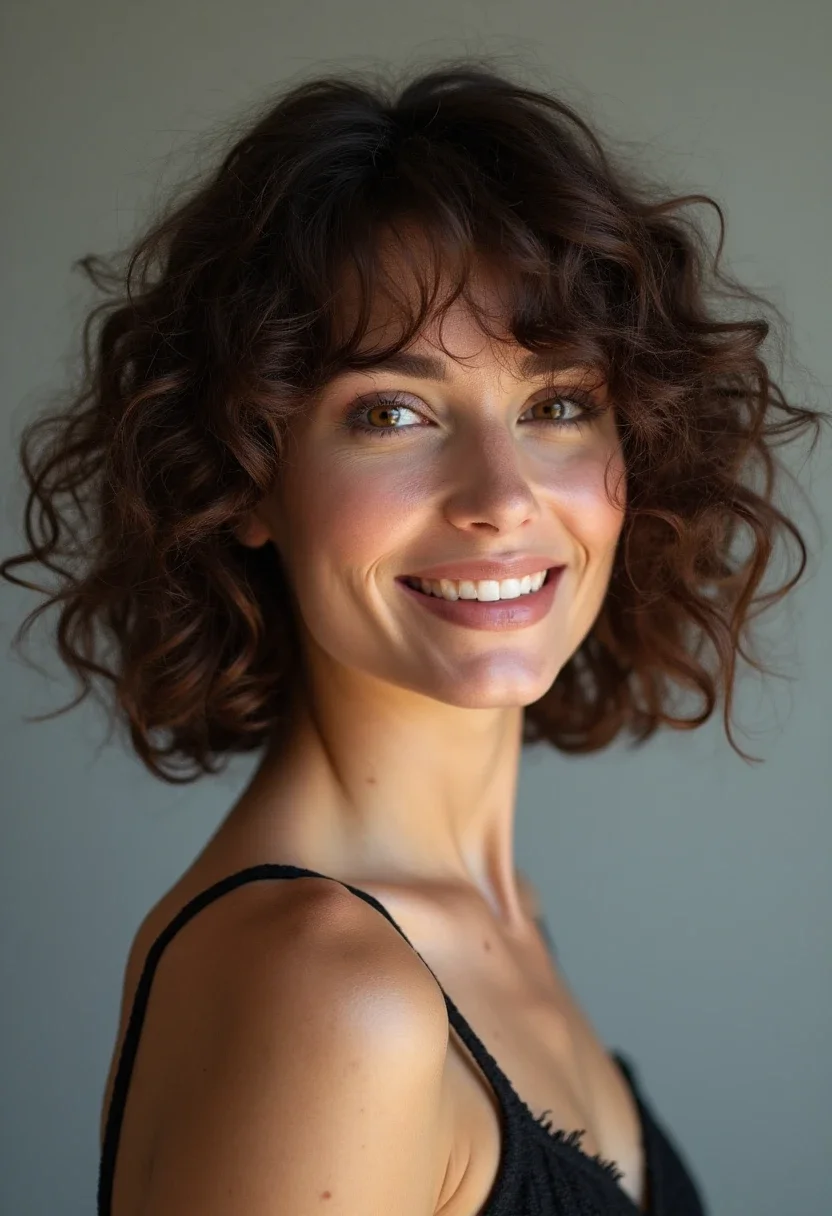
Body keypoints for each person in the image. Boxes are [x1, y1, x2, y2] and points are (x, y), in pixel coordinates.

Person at [2, 60, 826, 1216]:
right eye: (394, 412)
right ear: (246, 474)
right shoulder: (326, 986)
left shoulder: (492, 912)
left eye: (556, 403)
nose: (501, 497)